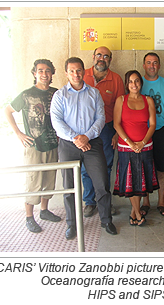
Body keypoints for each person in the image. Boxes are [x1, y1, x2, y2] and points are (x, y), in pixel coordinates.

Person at [50, 57, 117, 239]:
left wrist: (86, 136)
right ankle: (72, 224)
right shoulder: (60, 96)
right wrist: (76, 139)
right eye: (71, 71)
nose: (76, 74)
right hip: (68, 145)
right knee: (69, 186)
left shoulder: (94, 93)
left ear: (83, 71)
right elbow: (56, 121)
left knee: (102, 182)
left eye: (79, 70)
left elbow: (101, 118)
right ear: (66, 73)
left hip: (92, 142)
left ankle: (106, 220)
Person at [5, 59, 61, 233]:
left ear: (52, 73)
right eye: (40, 71)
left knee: (49, 179)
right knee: (33, 181)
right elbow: (8, 111)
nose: (44, 74)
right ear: (35, 73)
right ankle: (29, 217)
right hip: (34, 146)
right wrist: (19, 133)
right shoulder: (26, 94)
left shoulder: (57, 93)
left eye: (47, 71)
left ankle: (44, 210)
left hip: (53, 143)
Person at [81, 46, 125, 217]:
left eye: (106, 56)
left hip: (106, 129)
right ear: (93, 57)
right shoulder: (82, 75)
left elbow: (119, 108)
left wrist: (116, 133)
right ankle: (89, 202)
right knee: (86, 168)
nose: (102, 58)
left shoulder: (116, 79)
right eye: (99, 55)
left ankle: (104, 202)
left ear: (110, 60)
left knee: (106, 166)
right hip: (84, 130)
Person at [113, 70, 159, 226]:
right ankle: (138, 213)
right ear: (127, 84)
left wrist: (142, 142)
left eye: (137, 81)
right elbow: (116, 124)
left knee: (140, 181)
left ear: (141, 83)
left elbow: (152, 125)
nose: (134, 84)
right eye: (131, 81)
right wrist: (131, 143)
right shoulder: (121, 100)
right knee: (130, 180)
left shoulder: (148, 101)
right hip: (126, 148)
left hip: (145, 147)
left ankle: (133, 211)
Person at [140, 52, 164, 217]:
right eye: (148, 62)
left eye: (155, 63)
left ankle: (161, 202)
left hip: (162, 131)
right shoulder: (137, 83)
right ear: (144, 65)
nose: (152, 66)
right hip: (142, 132)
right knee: (145, 167)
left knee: (162, 168)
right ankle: (146, 202)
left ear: (159, 65)